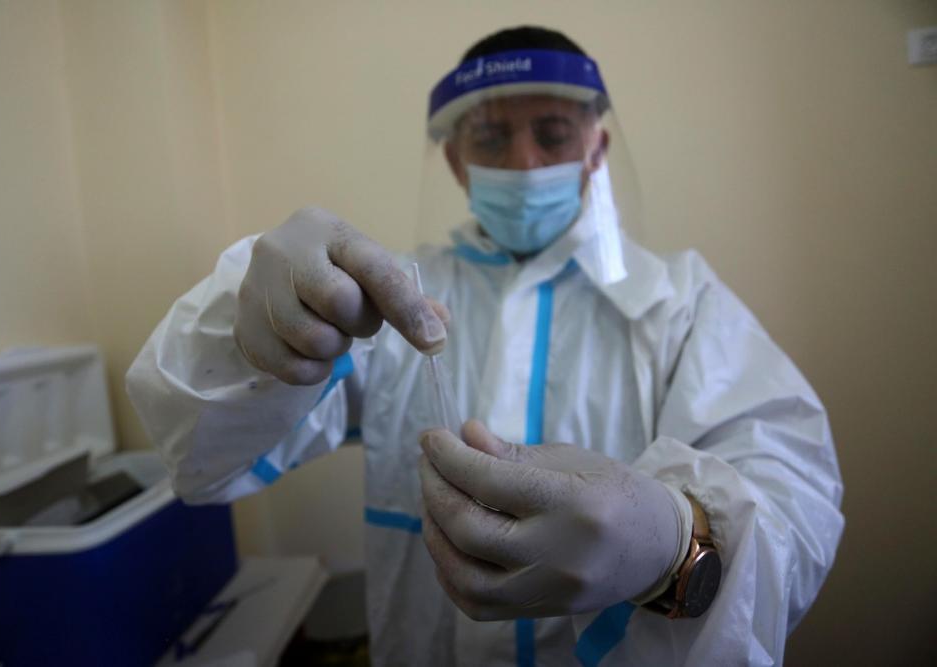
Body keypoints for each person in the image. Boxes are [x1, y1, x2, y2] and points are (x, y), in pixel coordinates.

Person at [127, 26, 843, 667]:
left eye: (553, 134)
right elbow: (200, 461)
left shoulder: (680, 305)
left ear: (596, 148)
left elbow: (795, 497)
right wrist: (245, 337)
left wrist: (677, 541)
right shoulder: (389, 302)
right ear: (455, 162)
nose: (525, 163)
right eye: (493, 138)